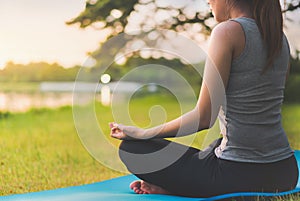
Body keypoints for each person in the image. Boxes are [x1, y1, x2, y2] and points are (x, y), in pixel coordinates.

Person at [109, 0, 299, 197]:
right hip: (284, 172)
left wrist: (142, 133)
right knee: (215, 145)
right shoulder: (278, 38)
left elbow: (204, 118)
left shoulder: (226, 32)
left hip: (238, 174)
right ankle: (175, 186)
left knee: (132, 149)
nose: (207, 1)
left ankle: (180, 188)